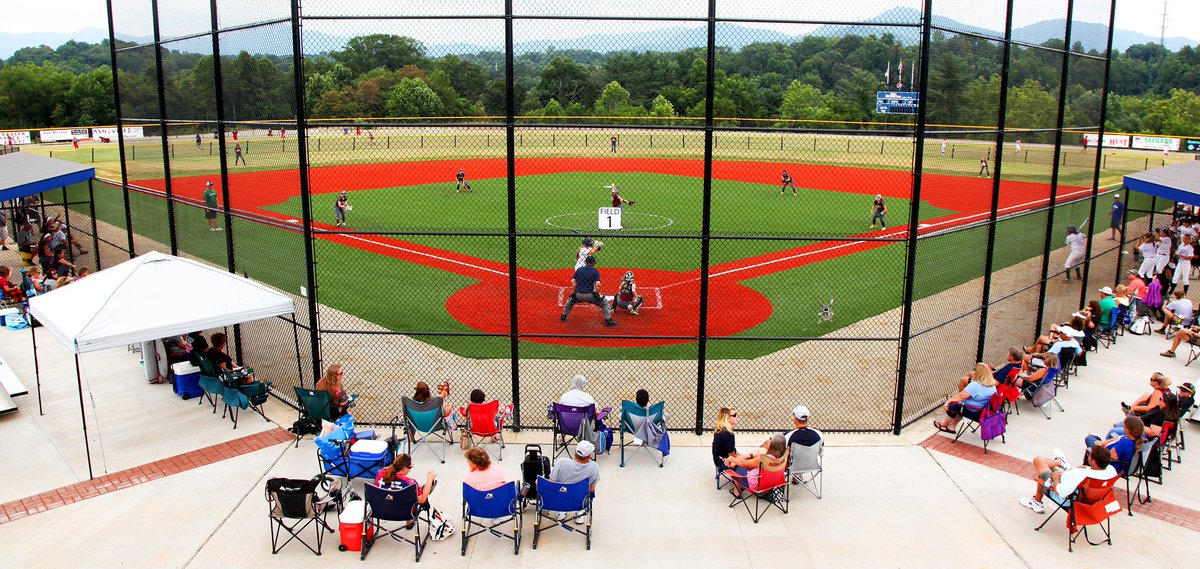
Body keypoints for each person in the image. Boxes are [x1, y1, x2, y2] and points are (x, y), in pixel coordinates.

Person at [1018, 443, 1116, 514]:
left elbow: (1060, 492)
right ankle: (1061, 463)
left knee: (1039, 461)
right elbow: (1091, 472)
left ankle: (1037, 502)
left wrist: (1056, 478)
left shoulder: (1081, 474)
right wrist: (1086, 468)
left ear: (1094, 461)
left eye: (1090, 455)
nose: (1088, 456)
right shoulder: (1111, 471)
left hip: (1066, 498)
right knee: (1053, 467)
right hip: (1090, 502)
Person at [933, 362, 998, 433]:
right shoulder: (993, 387)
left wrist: (948, 401)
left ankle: (944, 423)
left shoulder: (975, 385)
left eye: (975, 370)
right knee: (960, 406)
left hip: (973, 411)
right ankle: (952, 426)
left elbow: (961, 396)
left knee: (952, 406)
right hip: (982, 410)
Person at [549, 439, 600, 524]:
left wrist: (540, 482)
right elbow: (591, 489)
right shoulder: (594, 467)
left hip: (560, 497)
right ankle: (580, 513)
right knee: (583, 492)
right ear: (589, 456)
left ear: (575, 452)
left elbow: (551, 483)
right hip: (579, 500)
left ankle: (561, 512)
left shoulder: (561, 462)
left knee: (561, 488)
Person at [560, 255, 617, 326]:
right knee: (605, 303)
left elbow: (573, 282)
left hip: (578, 295)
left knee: (570, 301)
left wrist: (575, 292)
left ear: (585, 262)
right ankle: (608, 320)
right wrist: (597, 293)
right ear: (594, 263)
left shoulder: (579, 270)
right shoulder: (595, 272)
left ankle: (564, 315)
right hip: (591, 296)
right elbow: (598, 285)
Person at [723, 434, 787, 492]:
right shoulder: (782, 459)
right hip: (771, 485)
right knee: (748, 462)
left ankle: (736, 491)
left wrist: (732, 459)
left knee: (738, 465)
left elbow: (743, 463)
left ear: (772, 445)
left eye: (770, 439)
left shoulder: (764, 459)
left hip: (757, 486)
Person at [712, 407, 747, 473]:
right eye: (734, 415)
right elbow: (732, 458)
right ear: (727, 418)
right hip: (725, 464)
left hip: (718, 461)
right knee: (753, 462)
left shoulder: (719, 430)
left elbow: (731, 449)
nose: (737, 417)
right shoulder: (729, 434)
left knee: (748, 458)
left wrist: (741, 455)